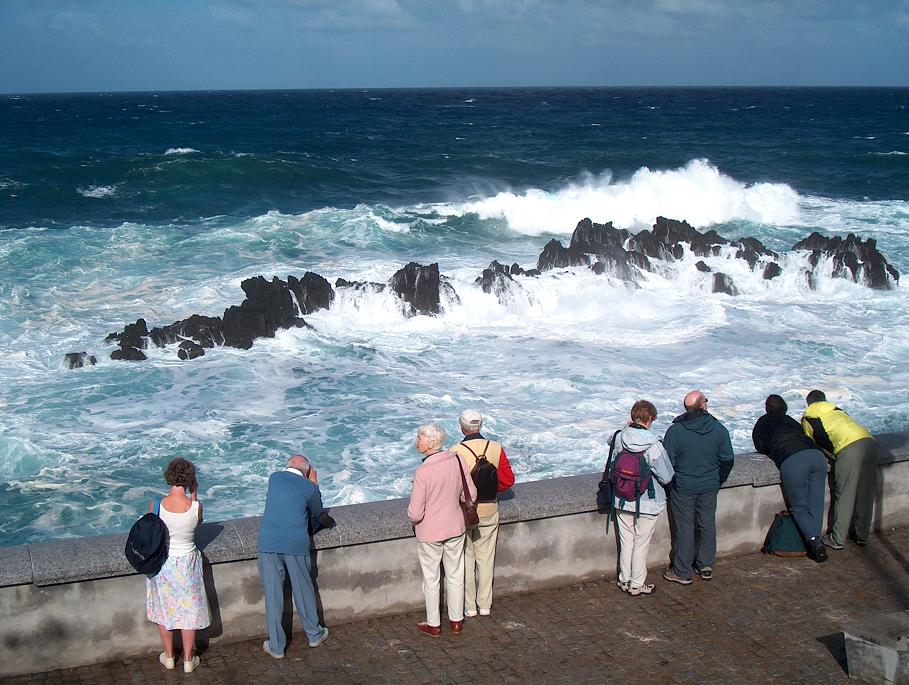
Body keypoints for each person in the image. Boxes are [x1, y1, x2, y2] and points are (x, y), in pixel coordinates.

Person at [258, 454, 331, 659]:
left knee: (273, 595)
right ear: (307, 471)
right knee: (303, 587)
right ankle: (314, 634)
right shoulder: (308, 487)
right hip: (295, 543)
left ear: (288, 465)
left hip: (268, 542)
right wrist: (314, 484)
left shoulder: (274, 477)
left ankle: (276, 646)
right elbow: (317, 511)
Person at [407, 423, 477, 637]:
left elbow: (416, 513)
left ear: (429, 444)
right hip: (455, 526)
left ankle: (434, 624)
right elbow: (470, 495)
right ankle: (456, 621)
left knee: (431, 578)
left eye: (418, 438)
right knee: (456, 574)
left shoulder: (423, 471)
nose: (415, 442)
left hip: (430, 532)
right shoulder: (457, 459)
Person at [661, 390, 734, 585]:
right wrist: (719, 479)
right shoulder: (719, 429)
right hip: (709, 485)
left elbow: (668, 463)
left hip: (683, 487)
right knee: (707, 524)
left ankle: (683, 571)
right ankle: (705, 564)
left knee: (685, 528)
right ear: (703, 405)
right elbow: (727, 459)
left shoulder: (675, 431)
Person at [146, 457, 210, 674]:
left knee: (165, 610)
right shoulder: (195, 507)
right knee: (188, 612)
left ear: (168, 477)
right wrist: (195, 494)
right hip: (188, 562)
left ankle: (170, 657)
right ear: (191, 480)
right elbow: (198, 523)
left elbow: (149, 529)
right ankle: (189, 660)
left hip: (164, 563)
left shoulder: (156, 505)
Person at [449, 408, 515, 618]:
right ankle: (485, 605)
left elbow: (452, 486)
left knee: (466, 558)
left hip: (465, 513)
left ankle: (469, 607)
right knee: (486, 559)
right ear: (481, 425)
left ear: (461, 426)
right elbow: (507, 481)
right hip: (489, 509)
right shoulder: (495, 448)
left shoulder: (455, 451)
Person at [608, 400, 675, 596]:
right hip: (647, 502)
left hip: (621, 498)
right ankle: (637, 584)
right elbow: (666, 475)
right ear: (650, 420)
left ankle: (624, 579)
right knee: (641, 543)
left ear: (632, 416)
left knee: (626, 540)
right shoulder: (654, 445)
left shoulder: (620, 437)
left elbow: (610, 446)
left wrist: (625, 428)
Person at [752, 394, 828, 562]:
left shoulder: (762, 423)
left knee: (799, 507)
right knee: (816, 503)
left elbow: (760, 447)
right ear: (784, 407)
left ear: (766, 408)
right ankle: (815, 542)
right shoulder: (791, 420)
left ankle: (814, 542)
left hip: (793, 460)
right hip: (816, 456)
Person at [801, 390, 878, 550]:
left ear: (809, 403)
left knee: (845, 494)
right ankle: (862, 535)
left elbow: (810, 443)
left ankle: (837, 539)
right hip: (869, 441)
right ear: (825, 400)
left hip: (848, 448)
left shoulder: (809, 418)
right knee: (866, 493)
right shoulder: (837, 410)